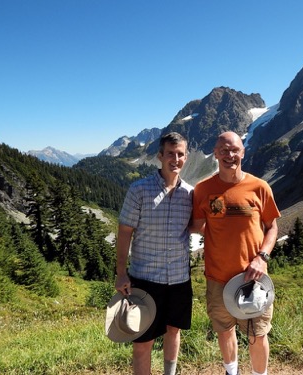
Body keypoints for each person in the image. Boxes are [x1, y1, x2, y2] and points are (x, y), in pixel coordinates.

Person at [191, 131, 281, 375]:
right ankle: (232, 373)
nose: (229, 155)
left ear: (243, 152)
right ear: (215, 154)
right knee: (224, 331)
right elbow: (198, 225)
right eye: (223, 150)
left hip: (254, 277)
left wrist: (261, 258)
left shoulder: (260, 187)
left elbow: (272, 226)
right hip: (217, 279)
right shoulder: (203, 189)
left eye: (234, 150)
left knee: (257, 335)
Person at [115, 132, 193, 375]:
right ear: (160, 156)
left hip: (179, 279)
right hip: (145, 278)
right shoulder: (139, 189)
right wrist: (120, 273)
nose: (175, 159)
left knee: (174, 331)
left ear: (186, 157)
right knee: (142, 341)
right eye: (170, 153)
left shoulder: (190, 194)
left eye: (180, 154)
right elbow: (125, 231)